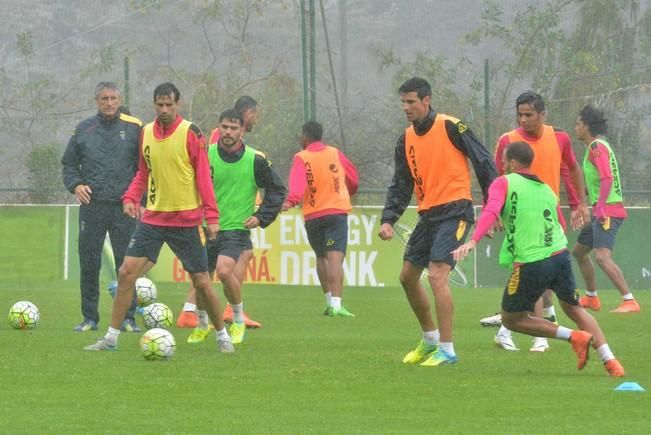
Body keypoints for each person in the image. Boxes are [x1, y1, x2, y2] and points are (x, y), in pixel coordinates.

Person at [452, 141, 625, 377]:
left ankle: (574, 337)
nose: (502, 165)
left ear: (512, 162)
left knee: (511, 318)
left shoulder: (503, 182)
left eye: (504, 160)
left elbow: (491, 209)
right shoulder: (546, 189)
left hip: (533, 261)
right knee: (574, 309)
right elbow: (559, 224)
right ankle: (612, 362)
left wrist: (473, 240)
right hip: (560, 255)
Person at [84, 82, 233, 353]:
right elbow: (143, 171)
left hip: (186, 221)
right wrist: (131, 197)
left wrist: (212, 217)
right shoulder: (146, 133)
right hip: (153, 220)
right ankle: (111, 338)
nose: (164, 110)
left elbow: (203, 176)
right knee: (126, 273)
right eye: (159, 105)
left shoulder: (191, 132)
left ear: (178, 105)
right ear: (154, 105)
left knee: (201, 282)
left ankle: (222, 336)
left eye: (169, 105)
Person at [378, 77, 497, 367]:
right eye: (403, 102)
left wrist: (493, 209)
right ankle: (429, 339)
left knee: (436, 275)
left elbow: (483, 162)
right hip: (428, 214)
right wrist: (389, 218)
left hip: (456, 210)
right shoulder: (405, 139)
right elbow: (401, 183)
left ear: (426, 101)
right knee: (407, 277)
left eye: (411, 102)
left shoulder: (451, 126)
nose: (406, 107)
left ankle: (448, 349)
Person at [489, 91, 590, 352]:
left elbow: (572, 168)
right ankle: (533, 335)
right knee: (533, 276)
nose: (523, 119)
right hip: (520, 219)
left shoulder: (559, 138)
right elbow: (496, 177)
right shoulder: (508, 141)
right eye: (519, 114)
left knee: (538, 276)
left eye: (529, 114)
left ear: (543, 114)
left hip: (549, 218)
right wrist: (496, 213)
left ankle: (515, 330)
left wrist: (579, 203)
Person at [186, 109, 286, 345]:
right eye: (224, 126)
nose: (228, 132)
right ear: (218, 128)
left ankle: (238, 319)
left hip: (236, 229)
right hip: (207, 226)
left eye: (233, 128)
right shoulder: (205, 154)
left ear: (242, 130)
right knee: (201, 279)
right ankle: (202, 325)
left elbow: (277, 190)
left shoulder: (255, 160)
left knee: (223, 271)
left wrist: (261, 217)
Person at [62, 82, 142, 333]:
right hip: (92, 207)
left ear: (120, 100)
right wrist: (76, 185)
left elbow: (144, 166)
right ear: (97, 100)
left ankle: (128, 318)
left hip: (124, 208)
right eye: (104, 98)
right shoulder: (83, 129)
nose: (109, 103)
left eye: (113, 98)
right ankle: (89, 318)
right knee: (89, 262)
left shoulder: (134, 128)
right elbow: (68, 164)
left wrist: (136, 198)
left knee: (127, 265)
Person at [176, 95, 262, 329]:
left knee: (213, 266)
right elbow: (211, 174)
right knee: (225, 262)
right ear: (245, 115)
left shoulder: (221, 136)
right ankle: (228, 311)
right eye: (254, 114)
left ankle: (190, 311)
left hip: (230, 212)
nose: (256, 119)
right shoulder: (219, 140)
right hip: (225, 215)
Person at [282, 121, 359, 316]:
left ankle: (328, 301)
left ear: (306, 136)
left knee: (321, 257)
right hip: (336, 213)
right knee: (335, 257)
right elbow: (353, 179)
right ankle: (336, 304)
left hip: (313, 215)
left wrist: (291, 202)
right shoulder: (335, 153)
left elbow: (297, 184)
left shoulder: (301, 157)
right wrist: (346, 192)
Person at [572, 105, 640, 313]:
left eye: (577, 123)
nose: (575, 127)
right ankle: (592, 298)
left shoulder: (596, 147)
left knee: (602, 256)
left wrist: (600, 208)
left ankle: (629, 301)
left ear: (586, 126)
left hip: (608, 210)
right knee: (579, 252)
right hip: (602, 208)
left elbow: (607, 177)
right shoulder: (595, 147)